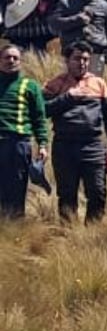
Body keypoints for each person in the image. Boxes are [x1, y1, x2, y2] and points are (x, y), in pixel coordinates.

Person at [41, 45, 107, 223]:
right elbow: (43, 111)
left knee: (98, 192)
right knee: (67, 195)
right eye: (77, 58)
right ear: (67, 61)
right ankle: (67, 235)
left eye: (86, 59)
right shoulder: (55, 83)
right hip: (64, 146)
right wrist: (68, 97)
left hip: (92, 145)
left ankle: (91, 234)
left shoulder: (98, 83)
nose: (82, 63)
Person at [0, 45, 48, 219]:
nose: (11, 61)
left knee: (17, 189)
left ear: (20, 62)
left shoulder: (30, 86)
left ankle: (13, 230)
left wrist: (42, 144)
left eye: (15, 58)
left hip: (19, 144)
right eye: (7, 57)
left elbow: (39, 118)